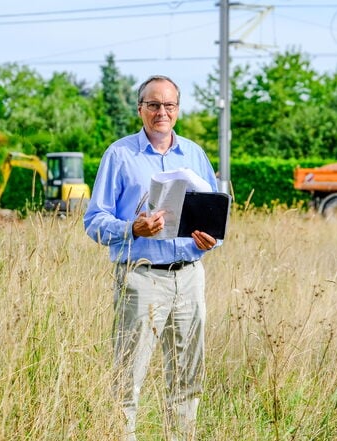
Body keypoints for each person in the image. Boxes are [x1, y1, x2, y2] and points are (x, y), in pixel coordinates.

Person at [84, 75, 219, 441]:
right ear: (140, 108)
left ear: (178, 109)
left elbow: (215, 212)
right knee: (129, 376)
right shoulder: (120, 155)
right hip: (140, 277)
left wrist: (211, 240)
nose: (162, 112)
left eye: (169, 105)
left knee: (188, 376)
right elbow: (94, 221)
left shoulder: (195, 154)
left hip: (190, 275)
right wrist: (132, 228)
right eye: (154, 105)